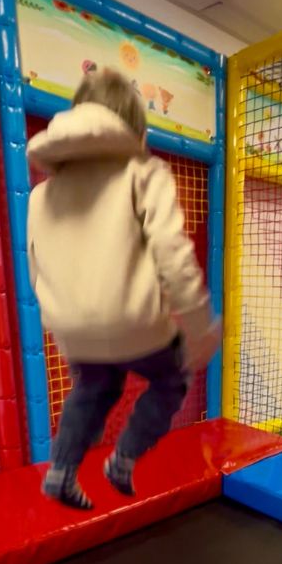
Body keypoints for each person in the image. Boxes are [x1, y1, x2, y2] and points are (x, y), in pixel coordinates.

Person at [27, 69, 220, 509]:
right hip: (133, 323)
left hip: (74, 326)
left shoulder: (40, 195)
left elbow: (38, 269)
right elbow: (173, 255)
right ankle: (123, 459)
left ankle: (61, 470)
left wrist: (65, 332)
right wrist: (198, 328)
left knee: (95, 386)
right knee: (171, 379)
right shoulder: (144, 173)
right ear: (136, 129)